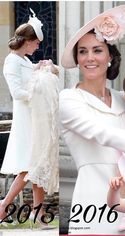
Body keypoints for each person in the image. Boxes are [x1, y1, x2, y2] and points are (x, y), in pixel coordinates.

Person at [59, 5, 125, 235]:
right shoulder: (68, 99)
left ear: (110, 56)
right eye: (83, 51)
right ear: (77, 59)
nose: (89, 58)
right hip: (93, 206)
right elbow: (101, 133)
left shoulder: (123, 100)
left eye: (97, 50)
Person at [0, 9, 58, 229]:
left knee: (37, 165)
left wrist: (44, 68)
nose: (37, 47)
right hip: (26, 118)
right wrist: (37, 89)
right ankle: (5, 205)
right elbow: (17, 92)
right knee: (30, 167)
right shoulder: (12, 61)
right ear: (29, 41)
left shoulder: (24, 60)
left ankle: (37, 213)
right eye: (36, 44)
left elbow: (36, 76)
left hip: (35, 119)